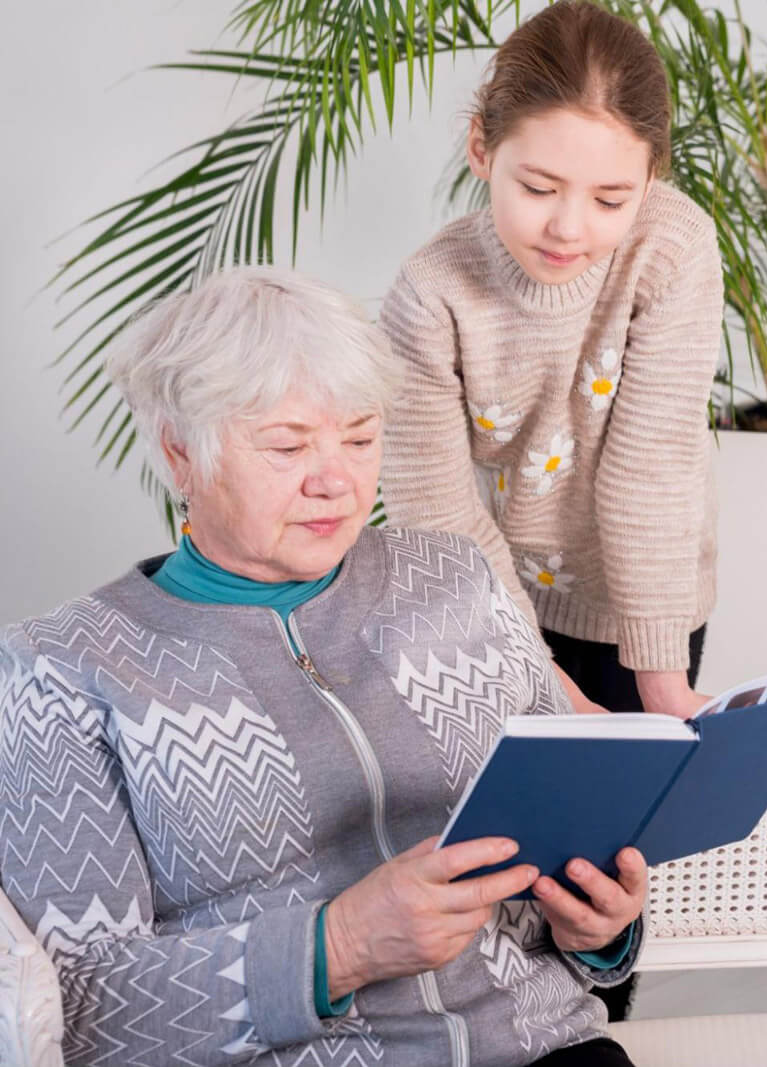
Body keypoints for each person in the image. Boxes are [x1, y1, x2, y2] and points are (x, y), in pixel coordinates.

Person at [0, 268, 644, 1067]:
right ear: (180, 452)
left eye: (361, 438)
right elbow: (79, 1012)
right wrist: (336, 946)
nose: (336, 480)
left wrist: (601, 925)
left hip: (548, 1049)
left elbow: (577, 833)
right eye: (287, 445)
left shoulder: (457, 579)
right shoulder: (60, 670)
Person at [379, 0, 722, 729]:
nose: (568, 227)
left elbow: (653, 468)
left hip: (651, 611)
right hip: (496, 601)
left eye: (610, 199)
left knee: (638, 800)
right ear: (481, 148)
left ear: (651, 178)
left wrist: (662, 684)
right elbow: (438, 519)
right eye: (538, 189)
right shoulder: (429, 295)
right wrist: (549, 688)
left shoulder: (672, 248)